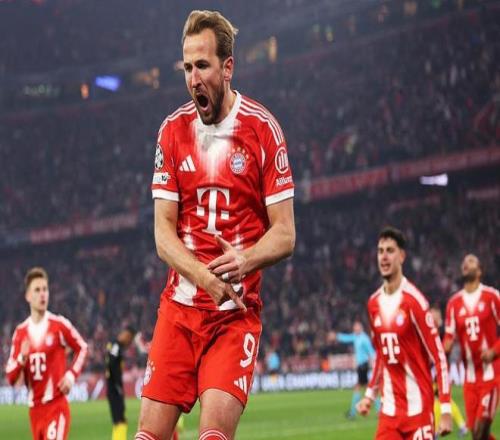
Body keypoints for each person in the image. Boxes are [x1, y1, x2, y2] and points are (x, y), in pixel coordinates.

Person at [135, 9, 295, 440]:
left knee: (213, 436)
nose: (193, 78)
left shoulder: (262, 130)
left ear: (228, 67)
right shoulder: (172, 131)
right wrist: (205, 278)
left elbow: (285, 233)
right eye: (187, 68)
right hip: (179, 310)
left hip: (233, 316)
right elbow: (163, 235)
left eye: (202, 65)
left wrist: (245, 261)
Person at [357, 226, 452, 438]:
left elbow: (439, 357)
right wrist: (370, 395)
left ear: (402, 256)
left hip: (418, 411)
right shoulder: (373, 304)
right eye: (380, 251)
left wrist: (445, 408)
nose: (384, 256)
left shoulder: (414, 301)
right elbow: (382, 354)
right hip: (389, 413)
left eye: (390, 250)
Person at [5, 267, 88, 440]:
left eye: (45, 289)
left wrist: (71, 376)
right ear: (28, 296)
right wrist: (21, 358)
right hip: (35, 411)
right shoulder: (20, 333)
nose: (43, 294)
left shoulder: (59, 325)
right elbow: (11, 377)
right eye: (37, 290)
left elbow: (82, 347)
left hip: (56, 406)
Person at [443, 254, 500, 440]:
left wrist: (494, 351)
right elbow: (449, 336)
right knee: (477, 435)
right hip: (469, 378)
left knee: (480, 431)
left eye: (472, 261)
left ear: (480, 271)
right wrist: (444, 347)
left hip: (491, 375)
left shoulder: (492, 296)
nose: (466, 263)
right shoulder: (453, 303)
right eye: (464, 262)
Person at [429, 305, 468, 438]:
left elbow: (445, 348)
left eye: (433, 313)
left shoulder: (443, 331)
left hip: (441, 369)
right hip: (435, 369)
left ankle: (436, 430)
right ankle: (461, 425)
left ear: (438, 314)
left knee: (438, 398)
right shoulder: (435, 329)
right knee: (440, 399)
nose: (431, 316)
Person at [328, 320, 377, 419]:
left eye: (356, 327)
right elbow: (347, 338)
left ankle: (353, 413)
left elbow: (371, 352)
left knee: (359, 388)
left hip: (363, 366)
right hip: (360, 366)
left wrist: (376, 362)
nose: (355, 328)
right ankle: (377, 410)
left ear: (361, 328)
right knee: (369, 390)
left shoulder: (364, 338)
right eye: (354, 327)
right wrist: (336, 336)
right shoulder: (356, 337)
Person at [105, 326, 137, 440]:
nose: (129, 342)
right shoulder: (116, 346)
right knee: (120, 420)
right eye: (130, 339)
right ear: (126, 335)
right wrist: (118, 384)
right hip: (114, 388)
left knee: (118, 420)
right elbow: (112, 362)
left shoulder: (113, 345)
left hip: (112, 388)